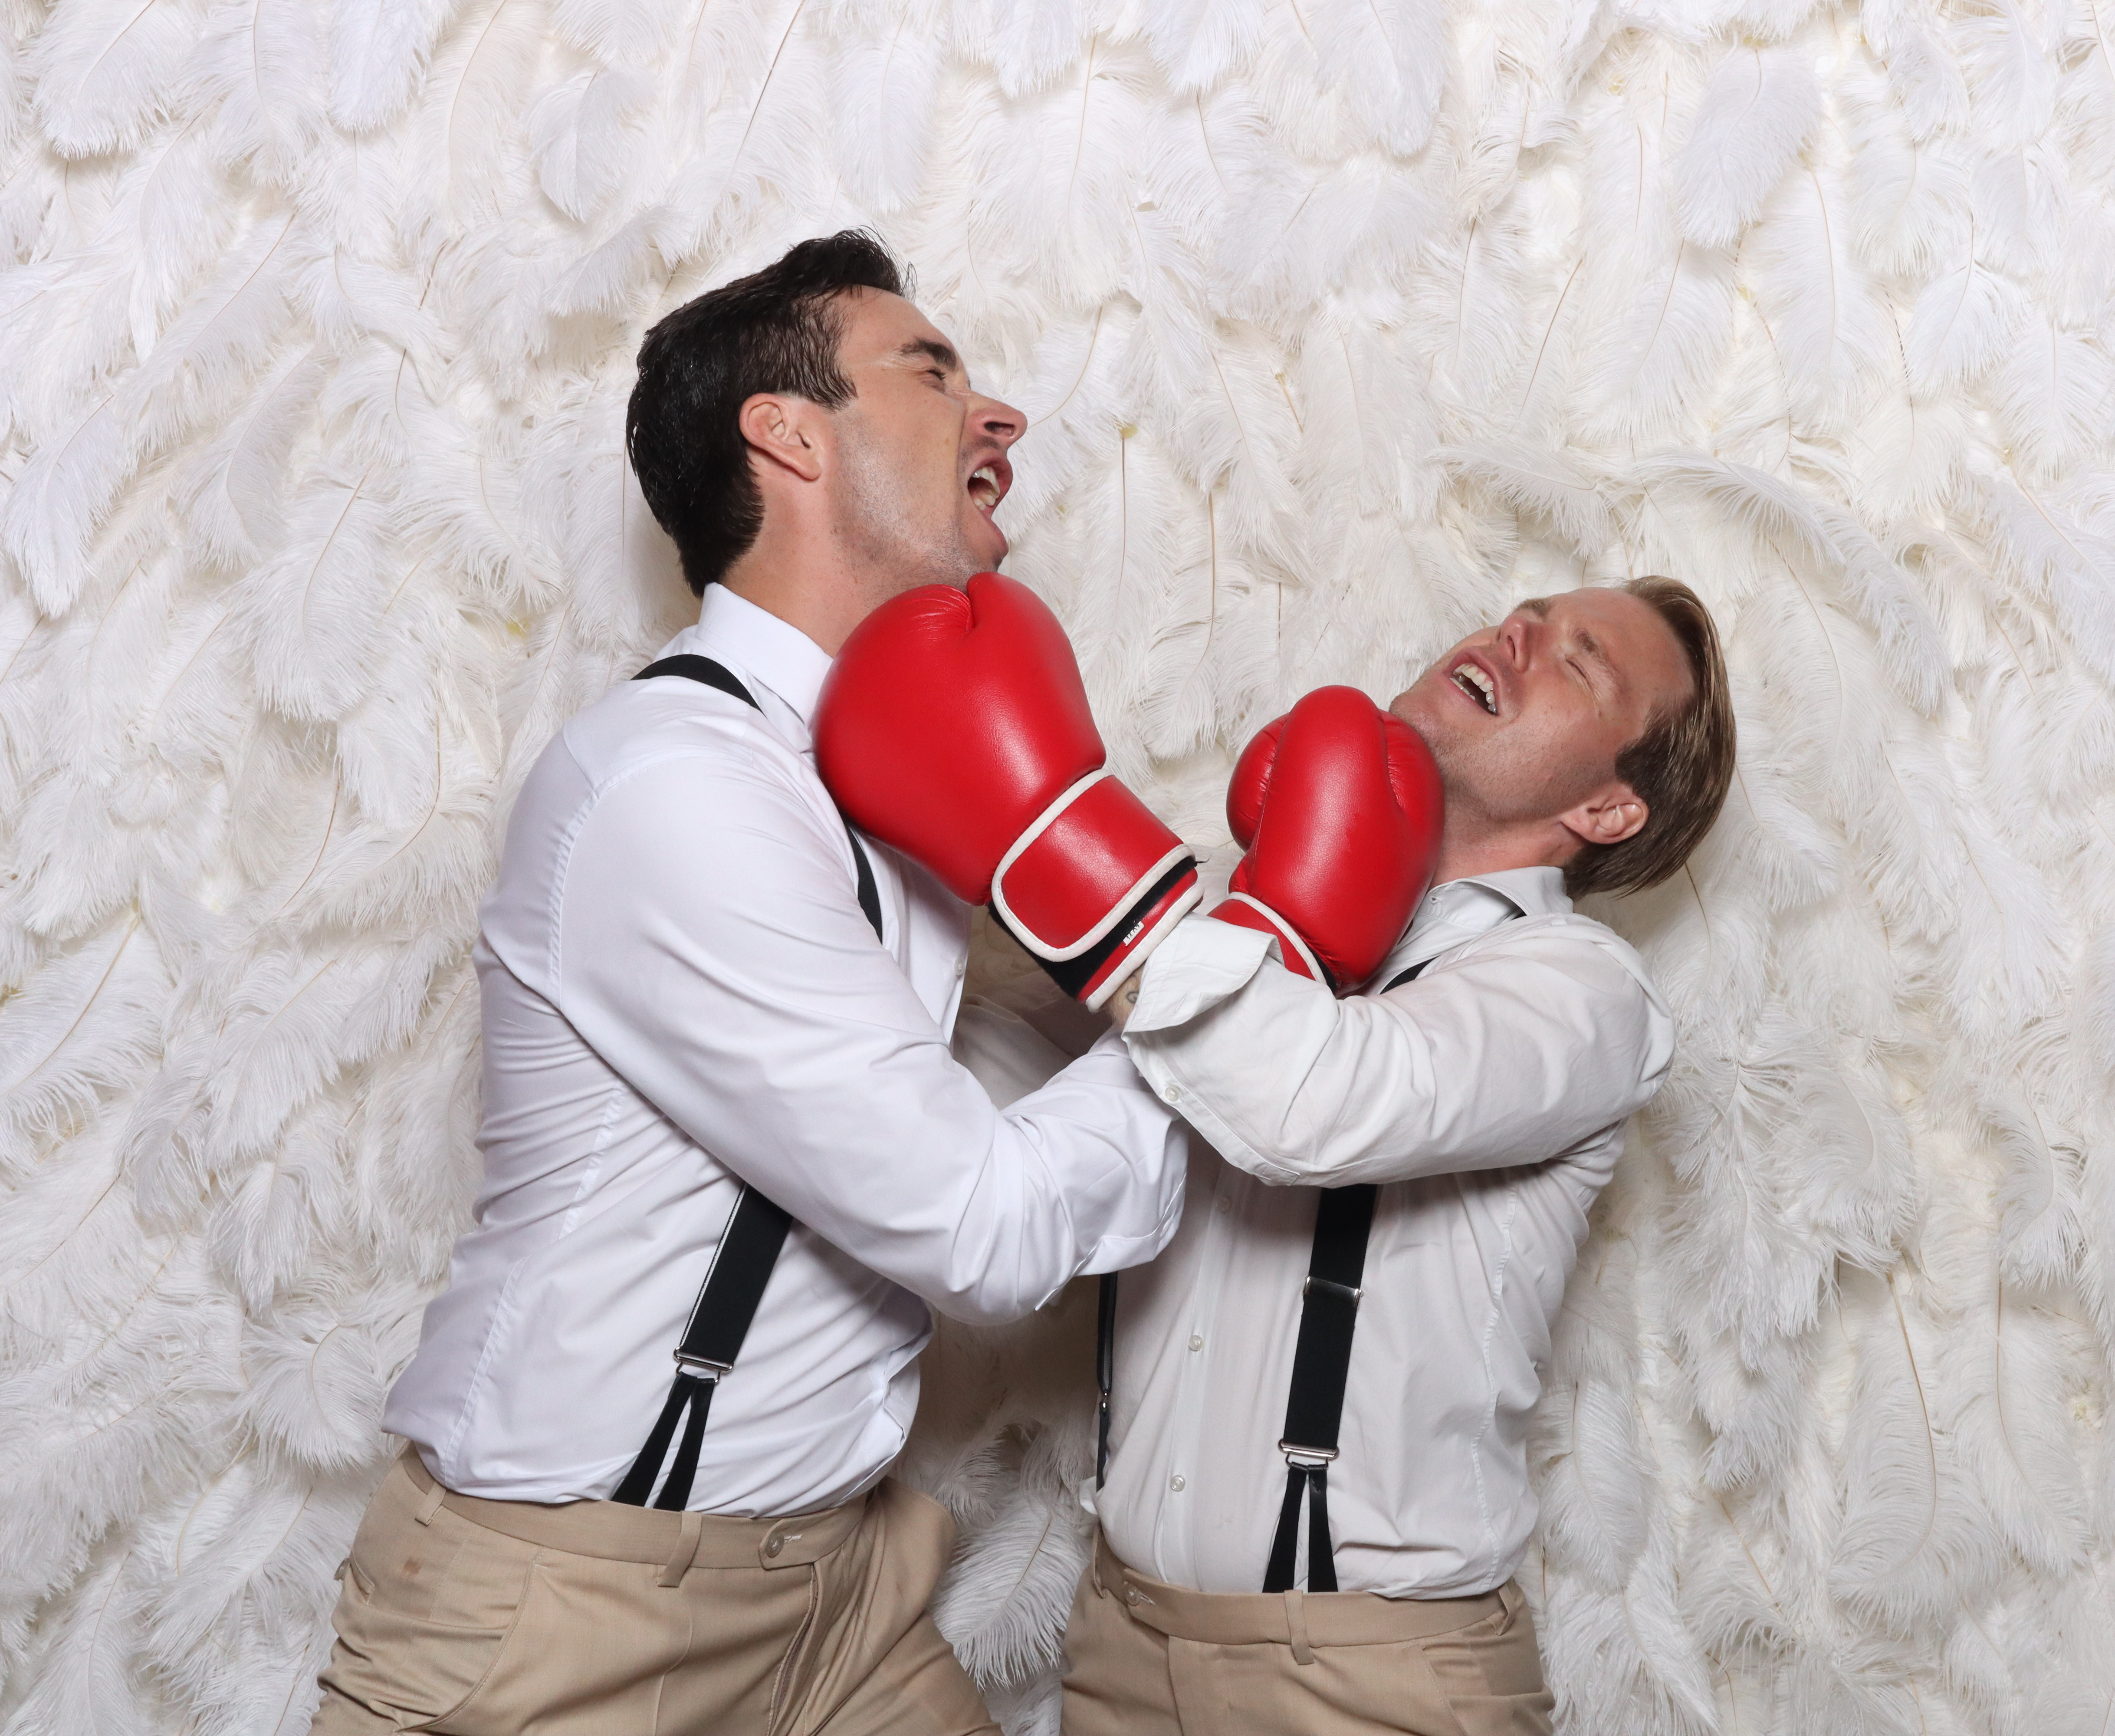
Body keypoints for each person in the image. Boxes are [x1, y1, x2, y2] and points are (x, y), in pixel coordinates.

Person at [307, 232, 1195, 1735]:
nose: (1000, 418)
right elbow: (979, 1222)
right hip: (577, 1607)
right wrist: (1234, 983)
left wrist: (1166, 953)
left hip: (837, 1586)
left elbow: (1057, 1050)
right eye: (932, 370)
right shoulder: (676, 788)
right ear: (785, 434)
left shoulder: (902, 772)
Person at [1067, 578, 1737, 1736]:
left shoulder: (1577, 992)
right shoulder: (1245, 924)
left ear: (1611, 812)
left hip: (1368, 1679)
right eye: (1527, 614)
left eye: (1582, 665)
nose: (1519, 635)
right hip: (1118, 1645)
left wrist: (1043, 837)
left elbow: (1311, 1099)